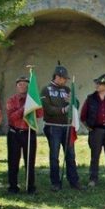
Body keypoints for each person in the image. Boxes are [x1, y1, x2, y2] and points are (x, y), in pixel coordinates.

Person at [41, 64, 82, 192]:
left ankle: (74, 181)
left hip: (67, 127)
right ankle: (55, 182)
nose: (65, 81)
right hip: (53, 127)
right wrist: (63, 109)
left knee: (70, 155)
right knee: (54, 155)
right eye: (64, 78)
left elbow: (76, 105)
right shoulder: (46, 89)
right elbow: (47, 108)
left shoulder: (67, 90)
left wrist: (73, 101)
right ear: (57, 77)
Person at [80, 72, 105, 187]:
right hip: (96, 131)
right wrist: (90, 128)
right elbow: (83, 116)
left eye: (99, 83)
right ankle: (93, 179)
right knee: (95, 156)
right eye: (96, 83)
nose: (96, 85)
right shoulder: (90, 99)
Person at [6, 75, 42, 194]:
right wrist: (25, 108)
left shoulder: (32, 100)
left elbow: (39, 115)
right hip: (14, 133)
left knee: (30, 161)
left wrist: (35, 103)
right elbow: (12, 118)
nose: (23, 86)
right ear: (16, 86)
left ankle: (30, 187)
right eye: (20, 84)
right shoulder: (11, 100)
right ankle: (13, 187)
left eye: (25, 84)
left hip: (29, 133)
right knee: (13, 161)